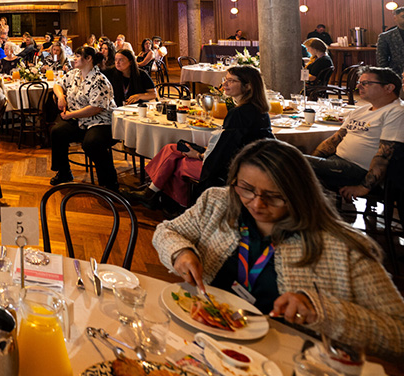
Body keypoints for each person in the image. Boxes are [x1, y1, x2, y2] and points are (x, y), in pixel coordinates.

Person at [154, 140, 404, 358]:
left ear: (299, 193)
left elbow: (397, 332)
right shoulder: (218, 203)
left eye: (273, 196)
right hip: (199, 336)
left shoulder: (343, 247)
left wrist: (322, 310)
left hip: (282, 357)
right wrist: (180, 252)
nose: (257, 204)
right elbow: (167, 232)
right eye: (247, 189)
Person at [129, 65, 273, 209]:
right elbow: (231, 146)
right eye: (225, 79)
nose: (224, 84)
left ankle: (178, 204)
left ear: (247, 86)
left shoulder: (239, 114)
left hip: (233, 170)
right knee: (172, 148)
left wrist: (198, 155)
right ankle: (153, 193)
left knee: (178, 164)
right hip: (249, 163)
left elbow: (224, 155)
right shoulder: (260, 111)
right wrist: (203, 152)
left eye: (231, 81)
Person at [305, 67, 404, 196]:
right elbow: (335, 140)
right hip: (336, 162)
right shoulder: (360, 110)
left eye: (366, 83)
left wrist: (364, 187)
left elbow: (385, 155)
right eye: (359, 82)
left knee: (287, 161)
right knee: (291, 163)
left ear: (388, 88)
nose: (359, 86)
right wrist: (314, 159)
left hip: (357, 170)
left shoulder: (397, 111)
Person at [49, 46, 117, 190]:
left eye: (78, 56)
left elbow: (95, 108)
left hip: (100, 122)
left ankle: (109, 182)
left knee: (91, 143)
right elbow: (57, 85)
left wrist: (70, 115)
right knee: (57, 131)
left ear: (88, 59)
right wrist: (61, 96)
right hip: (80, 120)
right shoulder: (74, 74)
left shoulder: (99, 80)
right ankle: (64, 172)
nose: (74, 58)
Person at [376, 5, 404, 76]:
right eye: (403, 17)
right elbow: (381, 61)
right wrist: (387, 77)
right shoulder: (385, 37)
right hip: (396, 75)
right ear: (395, 18)